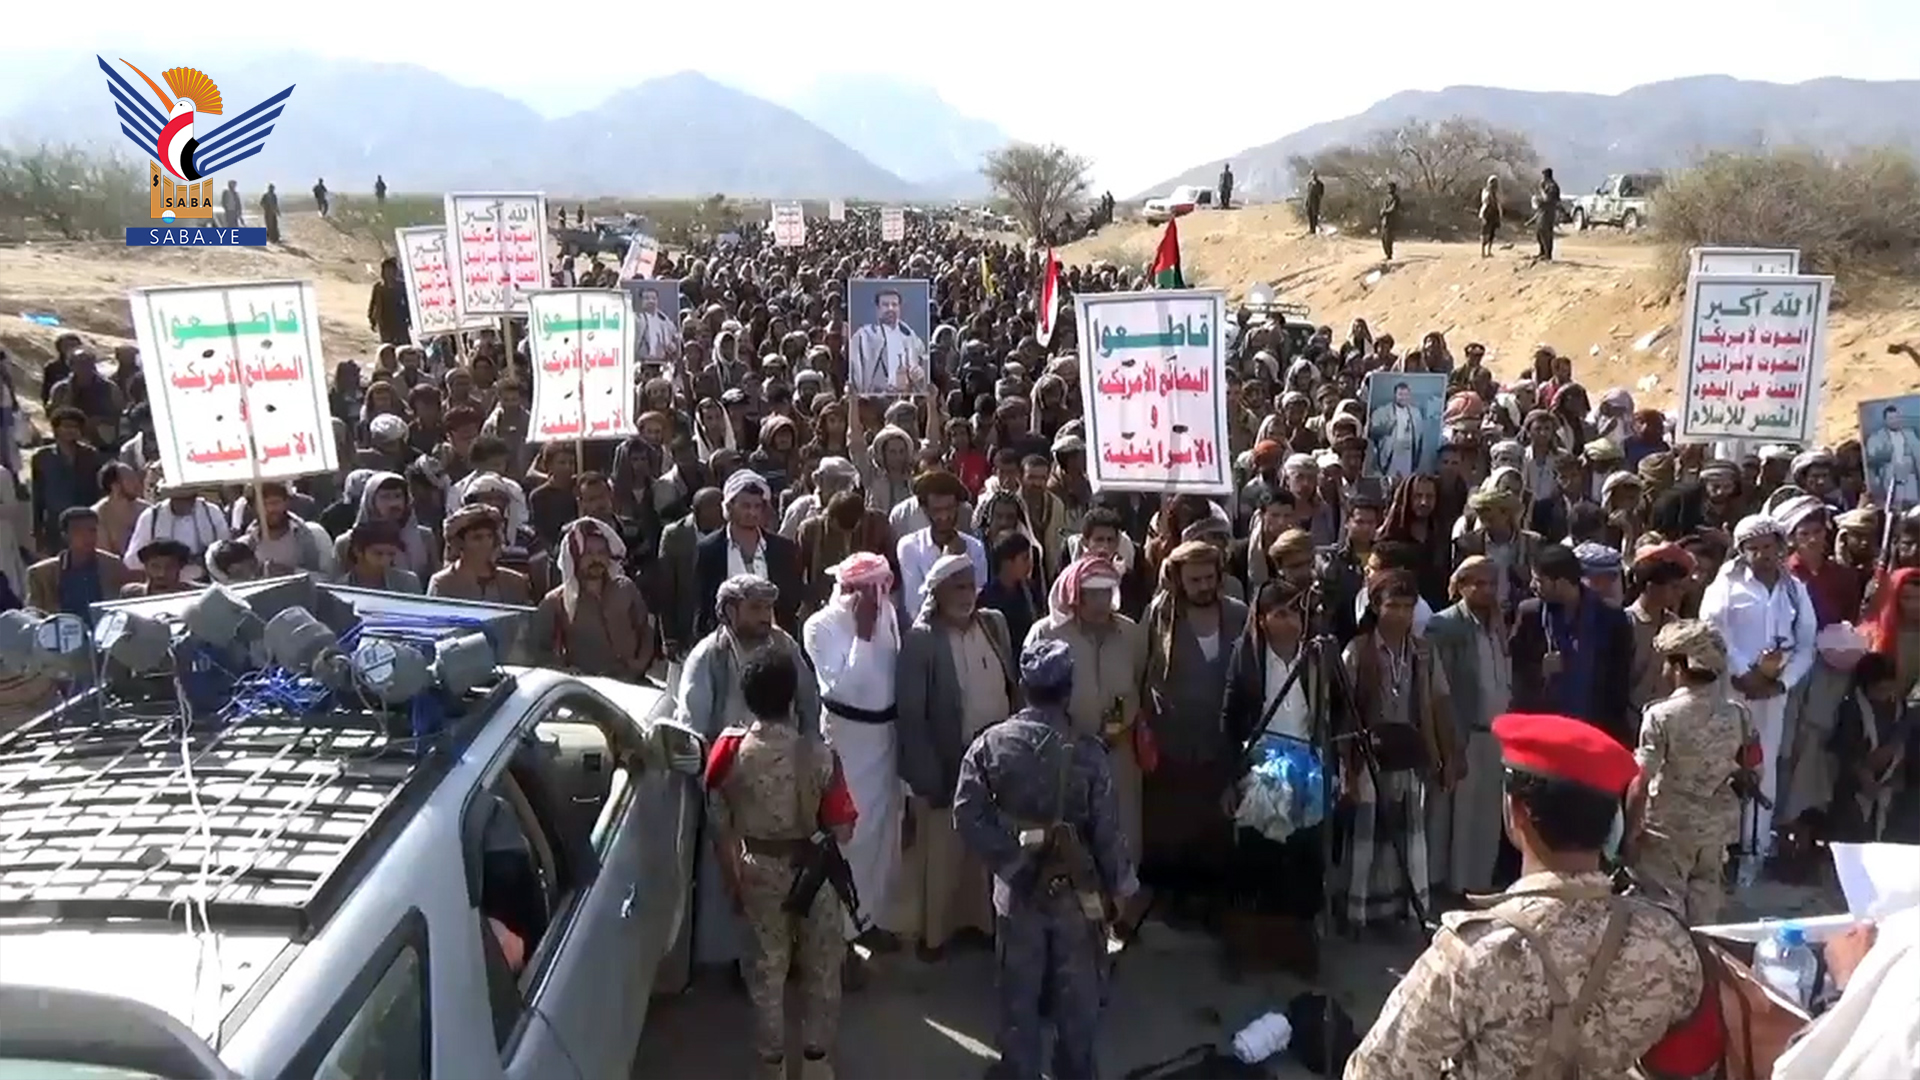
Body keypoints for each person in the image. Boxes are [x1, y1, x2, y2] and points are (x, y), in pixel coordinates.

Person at [1345, 713, 1705, 1079]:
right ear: (1611, 823)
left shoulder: (1475, 953)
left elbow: (1375, 1072)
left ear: (1516, 811)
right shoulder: (1669, 942)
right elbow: (1686, 1059)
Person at [952, 637, 1137, 1080]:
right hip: (1077, 894)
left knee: (1018, 994)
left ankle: (1019, 1070)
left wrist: (1012, 862)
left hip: (1017, 895)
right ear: (1068, 688)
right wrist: (1120, 889)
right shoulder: (1089, 753)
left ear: (1023, 686)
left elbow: (966, 814)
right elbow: (1107, 832)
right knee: (1078, 997)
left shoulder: (991, 745)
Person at [703, 647, 856, 1080]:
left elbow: (719, 825)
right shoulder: (819, 754)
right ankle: (816, 1063)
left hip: (757, 871)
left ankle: (772, 1066)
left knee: (766, 975)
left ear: (747, 697)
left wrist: (733, 878)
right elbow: (844, 829)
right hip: (813, 874)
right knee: (821, 968)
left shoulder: (729, 752)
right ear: (791, 698)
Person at [675, 574, 820, 976]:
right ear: (729, 611)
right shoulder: (709, 656)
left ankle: (780, 959)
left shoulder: (783, 646)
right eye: (755, 608)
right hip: (731, 783)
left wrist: (811, 755)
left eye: (768, 608)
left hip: (783, 779)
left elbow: (809, 703)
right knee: (728, 875)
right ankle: (732, 961)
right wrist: (714, 779)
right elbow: (691, 728)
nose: (765, 617)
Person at [894, 552, 1015, 958]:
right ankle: (936, 936)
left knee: (985, 853)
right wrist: (929, 777)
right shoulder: (921, 640)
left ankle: (983, 925)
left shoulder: (993, 624)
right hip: (948, 763)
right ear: (937, 594)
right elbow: (912, 717)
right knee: (943, 854)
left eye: (970, 586)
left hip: (996, 762)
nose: (966, 595)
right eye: (957, 588)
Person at [1699, 513, 1817, 884]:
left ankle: (1755, 850)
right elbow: (1712, 632)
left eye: (1769, 546)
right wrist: (1743, 672)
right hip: (1731, 691)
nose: (1763, 554)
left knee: (1762, 770)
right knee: (1722, 765)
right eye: (1754, 548)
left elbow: (1806, 645)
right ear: (1742, 550)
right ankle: (1717, 853)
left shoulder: (1794, 589)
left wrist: (1781, 684)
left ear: (1780, 547)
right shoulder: (1725, 586)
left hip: (1772, 696)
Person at [801, 552, 905, 964]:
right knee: (849, 834)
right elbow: (846, 688)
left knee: (882, 835)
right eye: (867, 590)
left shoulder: (888, 613)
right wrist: (862, 633)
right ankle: (840, 934)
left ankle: (868, 919)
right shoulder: (820, 626)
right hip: (848, 740)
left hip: (885, 738)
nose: (877, 597)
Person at [1625, 619, 1747, 925]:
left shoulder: (1661, 716)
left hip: (1667, 831)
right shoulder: (1737, 713)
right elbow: (1752, 767)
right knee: (1704, 915)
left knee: (1662, 915)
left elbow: (1641, 781)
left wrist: (1629, 835)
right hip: (1714, 831)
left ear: (1679, 667)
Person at [531, 517, 652, 678]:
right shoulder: (556, 602)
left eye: (601, 552)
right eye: (588, 553)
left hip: (633, 682)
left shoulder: (626, 588)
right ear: (574, 556)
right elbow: (539, 651)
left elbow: (645, 629)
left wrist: (640, 663)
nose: (596, 559)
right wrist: (564, 671)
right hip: (588, 688)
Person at [848, 287, 928, 393]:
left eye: (894, 305)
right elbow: (855, 374)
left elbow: (923, 367)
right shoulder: (863, 336)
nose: (890, 308)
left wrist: (919, 373)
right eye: (885, 305)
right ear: (878, 309)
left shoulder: (911, 338)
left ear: (899, 308)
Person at [1368, 380, 1428, 481]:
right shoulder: (1382, 411)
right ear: (1395, 395)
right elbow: (1372, 432)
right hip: (1392, 454)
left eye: (1405, 395)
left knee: (1406, 480)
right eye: (1400, 394)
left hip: (1408, 454)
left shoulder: (1416, 412)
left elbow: (1420, 436)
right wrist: (1387, 428)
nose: (1403, 398)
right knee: (1390, 480)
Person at [1865, 403, 1920, 511]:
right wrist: (1888, 453)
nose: (1894, 421)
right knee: (1895, 509)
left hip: (1910, 479)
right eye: (1891, 418)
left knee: (1914, 509)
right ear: (1885, 420)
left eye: (1896, 418)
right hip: (1892, 480)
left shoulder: (1910, 434)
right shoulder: (1877, 437)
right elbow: (1871, 457)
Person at [633, 284, 682, 366]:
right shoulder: (636, 319)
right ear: (641, 301)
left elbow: (675, 342)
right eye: (647, 298)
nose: (651, 301)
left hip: (662, 363)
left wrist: (672, 346)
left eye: (654, 298)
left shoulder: (666, 322)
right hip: (642, 363)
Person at [369, 257, 412, 347]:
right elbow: (373, 304)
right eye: (387, 270)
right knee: (388, 348)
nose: (389, 273)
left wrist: (410, 320)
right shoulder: (378, 287)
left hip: (400, 322)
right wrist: (372, 319)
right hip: (385, 323)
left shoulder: (401, 286)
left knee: (403, 347)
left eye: (391, 270)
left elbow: (408, 304)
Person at [1535, 167, 1561, 261]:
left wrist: (1541, 190)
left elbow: (1548, 199)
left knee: (1546, 233)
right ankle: (1542, 252)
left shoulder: (1552, 186)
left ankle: (1547, 254)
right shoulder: (1546, 185)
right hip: (1542, 211)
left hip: (1549, 212)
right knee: (1539, 232)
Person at [1478, 175, 1502, 258]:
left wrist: (1500, 213)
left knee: (1492, 233)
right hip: (1487, 213)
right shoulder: (1486, 191)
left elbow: (1498, 203)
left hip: (1494, 213)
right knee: (1485, 233)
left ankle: (1489, 251)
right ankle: (1483, 252)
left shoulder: (1497, 193)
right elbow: (1485, 201)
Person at [1378, 181, 1401, 260]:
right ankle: (1387, 253)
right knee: (1383, 238)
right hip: (1384, 221)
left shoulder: (1396, 198)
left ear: (1394, 189)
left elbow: (1393, 209)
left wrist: (1384, 211)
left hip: (1392, 221)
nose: (1389, 189)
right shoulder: (1386, 198)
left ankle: (1389, 255)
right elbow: (1384, 207)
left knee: (1388, 239)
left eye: (1390, 188)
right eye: (1388, 188)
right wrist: (1382, 212)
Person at [1304, 170, 1325, 236]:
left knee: (1315, 215)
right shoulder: (1310, 184)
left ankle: (1316, 229)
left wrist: (1318, 198)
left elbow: (1321, 193)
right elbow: (1308, 194)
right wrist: (1306, 202)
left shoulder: (1320, 184)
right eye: (1312, 175)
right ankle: (1311, 230)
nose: (1313, 176)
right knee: (1310, 215)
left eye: (1314, 175)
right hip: (1309, 201)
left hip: (1315, 202)